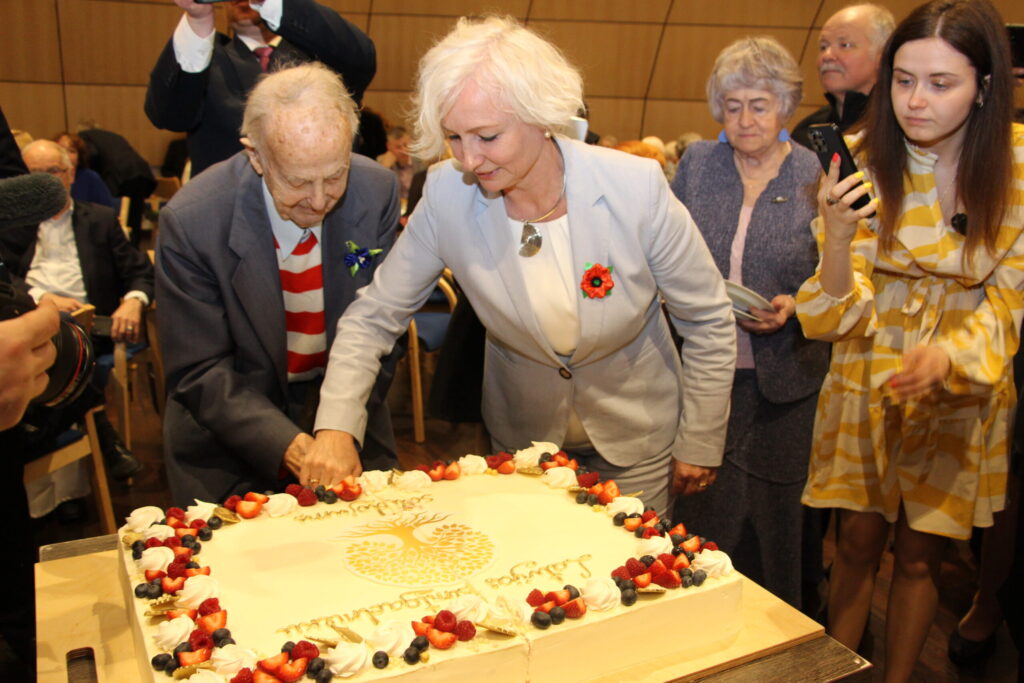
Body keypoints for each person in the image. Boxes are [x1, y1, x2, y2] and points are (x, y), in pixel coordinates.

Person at [306, 16, 737, 517]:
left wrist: (700, 439)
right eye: (454, 137)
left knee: (631, 564)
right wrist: (335, 426)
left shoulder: (634, 186)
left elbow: (707, 318)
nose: (470, 160)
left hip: (637, 441)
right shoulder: (447, 194)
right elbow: (374, 317)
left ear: (541, 114)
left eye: (488, 136)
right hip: (523, 446)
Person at [795, 1, 1023, 679]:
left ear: (983, 86)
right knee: (855, 541)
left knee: (922, 554)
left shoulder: (1016, 164)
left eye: (940, 83)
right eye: (903, 80)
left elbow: (1010, 300)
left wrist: (949, 355)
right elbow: (833, 314)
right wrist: (838, 239)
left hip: (961, 372)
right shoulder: (863, 156)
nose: (915, 101)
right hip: (870, 361)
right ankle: (839, 671)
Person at [156, 62, 402, 507]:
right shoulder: (192, 220)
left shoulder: (376, 190)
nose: (320, 200)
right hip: (230, 430)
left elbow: (385, 324)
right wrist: (291, 445)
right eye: (298, 181)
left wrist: (340, 425)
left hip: (349, 413)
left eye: (335, 175)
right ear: (256, 157)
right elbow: (198, 370)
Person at [671, 37, 830, 613]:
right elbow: (665, 247)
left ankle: (778, 631)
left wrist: (796, 304)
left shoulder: (814, 172)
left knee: (775, 525)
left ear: (785, 106)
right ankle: (696, 626)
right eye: (732, 106)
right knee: (700, 515)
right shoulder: (697, 164)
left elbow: (839, 272)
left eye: (759, 105)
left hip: (784, 379)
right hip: (703, 370)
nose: (744, 119)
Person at [4, 140, 152, 485]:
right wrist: (42, 297)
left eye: (52, 172)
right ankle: (102, 436)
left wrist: (134, 300)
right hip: (32, 325)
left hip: (90, 326)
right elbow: (6, 279)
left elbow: (140, 271)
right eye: (34, 175)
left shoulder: (99, 219)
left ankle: (51, 453)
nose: (45, 182)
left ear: (70, 174)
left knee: (66, 351)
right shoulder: (11, 226)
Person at [146, 0, 376, 176]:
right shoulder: (202, 61)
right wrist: (198, 20)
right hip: (231, 213)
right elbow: (169, 115)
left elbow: (361, 57)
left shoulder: (324, 55)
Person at [791, 4, 895, 150]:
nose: (827, 56)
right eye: (823, 47)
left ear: (882, 56)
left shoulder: (899, 127)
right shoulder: (807, 132)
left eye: (844, 45)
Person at [53, 132, 118, 210]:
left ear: (79, 157)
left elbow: (107, 209)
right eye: (61, 150)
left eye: (71, 151)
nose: (66, 154)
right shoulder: (47, 177)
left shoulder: (91, 177)